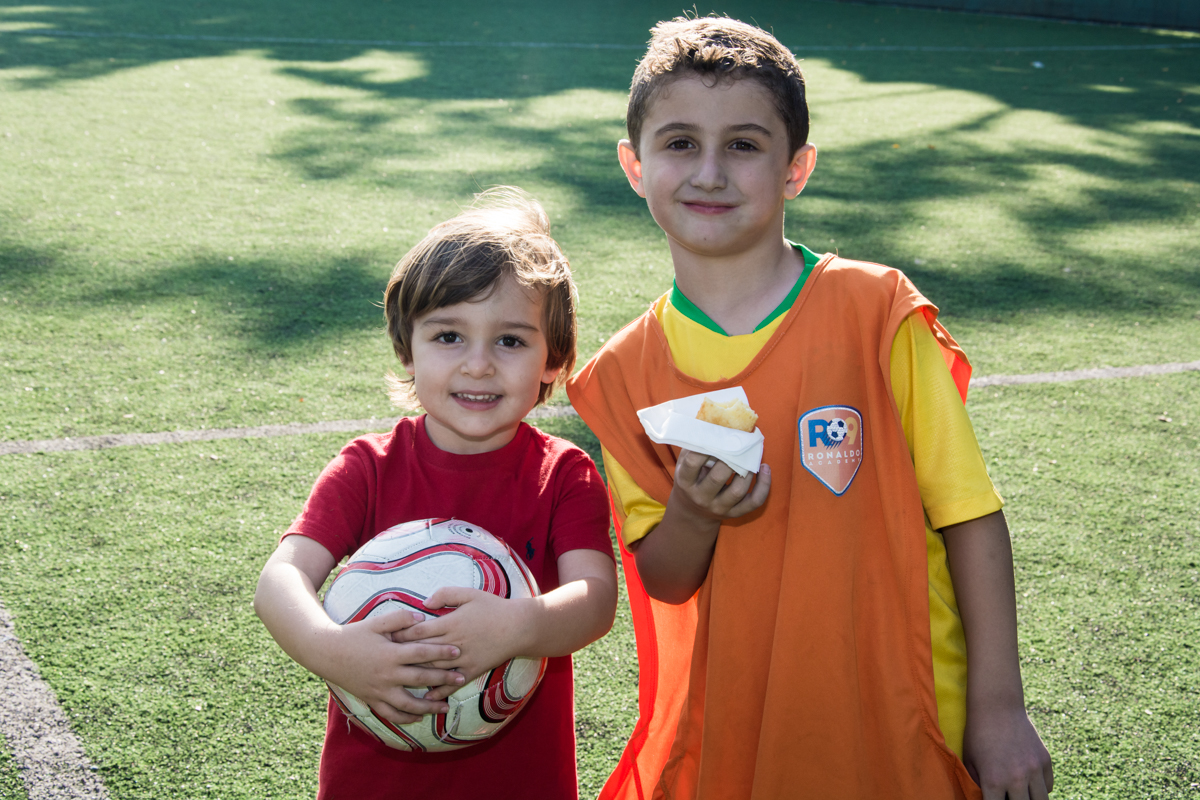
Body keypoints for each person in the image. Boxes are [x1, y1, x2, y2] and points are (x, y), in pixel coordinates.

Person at [566, 16, 1053, 800]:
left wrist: (999, 711)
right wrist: (694, 510)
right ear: (634, 164)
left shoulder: (875, 310)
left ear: (797, 168)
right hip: (743, 728)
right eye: (680, 143)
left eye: (745, 145)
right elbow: (663, 578)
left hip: (905, 711)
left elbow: (968, 515)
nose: (710, 173)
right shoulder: (625, 372)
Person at [254, 188, 617, 800]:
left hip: (521, 783)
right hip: (372, 785)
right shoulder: (367, 468)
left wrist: (519, 625)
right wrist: (334, 649)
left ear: (553, 360)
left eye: (510, 341)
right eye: (449, 336)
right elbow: (279, 583)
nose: (478, 365)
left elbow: (595, 600)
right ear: (407, 347)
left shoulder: (565, 474)